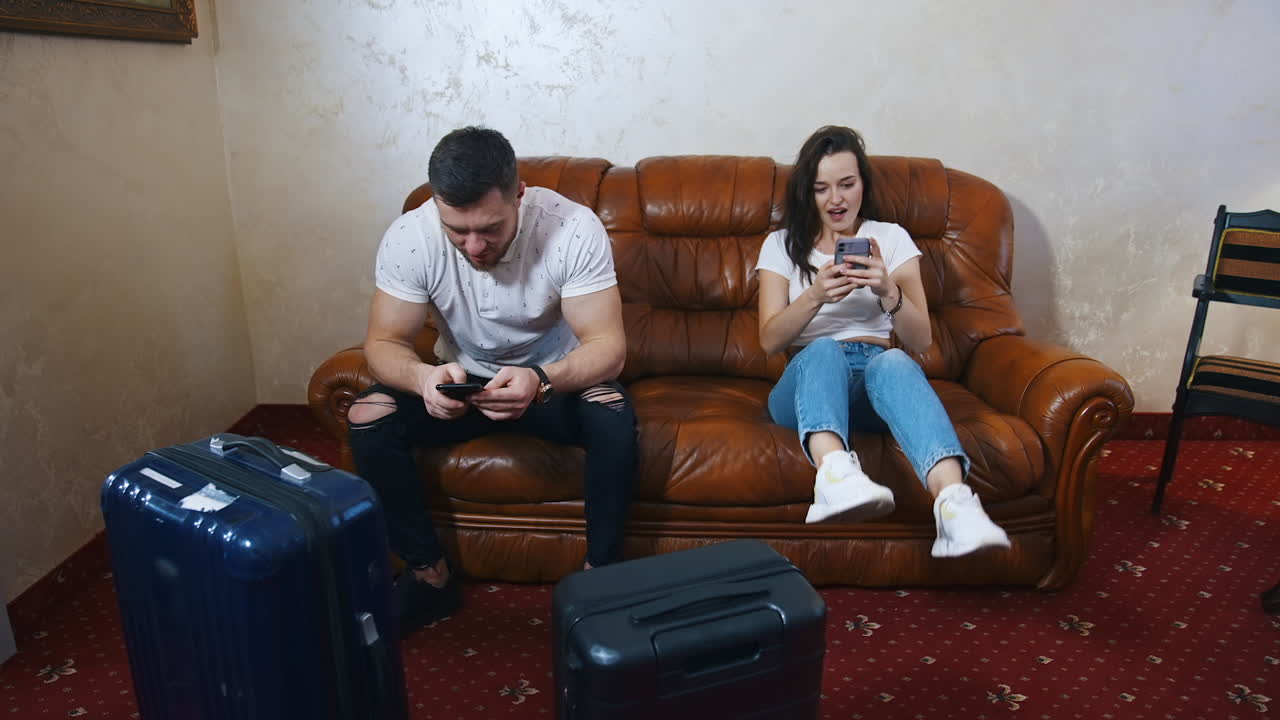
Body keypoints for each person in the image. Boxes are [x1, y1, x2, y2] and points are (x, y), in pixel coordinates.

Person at [347, 126, 636, 635]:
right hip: (461, 381)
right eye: (457, 230)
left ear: (519, 195)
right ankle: (429, 577)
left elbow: (609, 349)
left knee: (612, 410)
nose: (474, 246)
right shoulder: (411, 237)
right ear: (438, 204)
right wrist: (422, 378)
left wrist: (541, 380)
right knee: (368, 416)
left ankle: (601, 582)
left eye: (490, 228)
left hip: (552, 381)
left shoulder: (572, 228)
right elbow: (383, 343)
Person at [755, 125, 1010, 558]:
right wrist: (816, 295)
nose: (835, 199)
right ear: (806, 194)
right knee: (823, 350)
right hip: (807, 385)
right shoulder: (780, 246)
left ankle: (955, 508)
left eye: (846, 184)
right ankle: (834, 476)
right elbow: (768, 340)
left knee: (892, 362)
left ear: (863, 185)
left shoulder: (890, 239)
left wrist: (888, 291)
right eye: (821, 188)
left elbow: (921, 339)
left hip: (875, 382)